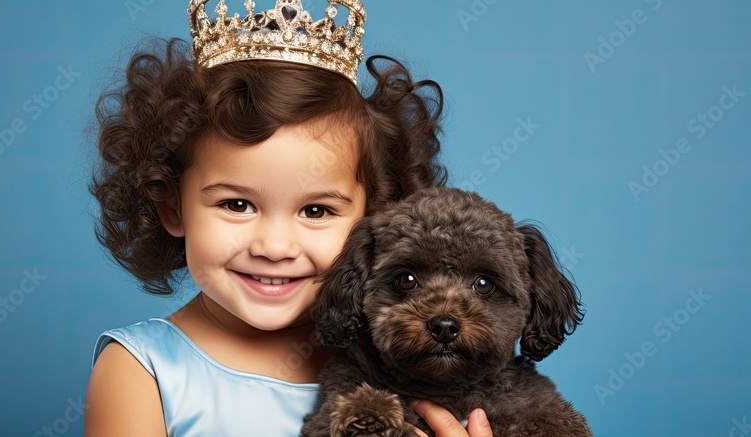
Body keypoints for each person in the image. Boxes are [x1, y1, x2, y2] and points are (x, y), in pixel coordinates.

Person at [84, 0, 493, 435]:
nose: (275, 247)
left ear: (374, 219)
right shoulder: (141, 372)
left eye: (316, 210)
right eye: (236, 205)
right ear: (172, 207)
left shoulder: (412, 355)